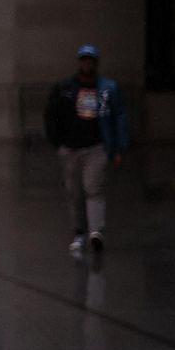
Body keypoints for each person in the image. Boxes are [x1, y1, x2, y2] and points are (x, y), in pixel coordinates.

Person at [45, 44, 129, 257]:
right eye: (83, 60)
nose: (87, 64)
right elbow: (52, 114)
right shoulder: (65, 88)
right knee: (74, 192)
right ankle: (79, 232)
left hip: (96, 146)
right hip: (70, 147)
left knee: (93, 187)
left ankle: (95, 231)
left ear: (96, 63)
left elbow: (119, 115)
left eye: (90, 61)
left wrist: (119, 146)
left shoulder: (107, 88)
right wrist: (58, 142)